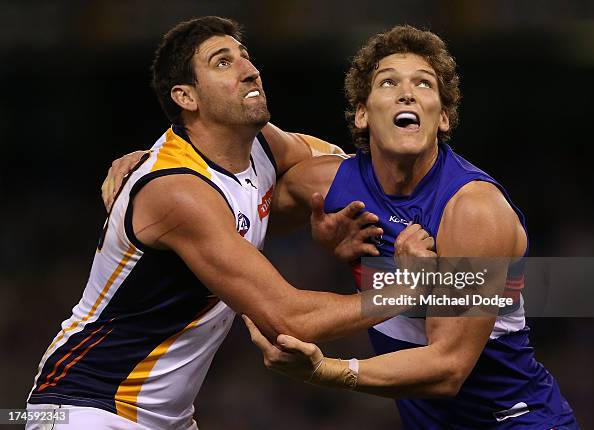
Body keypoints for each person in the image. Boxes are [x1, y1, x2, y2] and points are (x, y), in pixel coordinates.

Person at [26, 17, 428, 430]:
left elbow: (340, 168)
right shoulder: (176, 191)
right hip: (88, 405)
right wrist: (410, 288)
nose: (249, 69)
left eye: (245, 57)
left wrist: (321, 217)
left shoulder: (262, 147)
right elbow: (290, 319)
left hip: (169, 419)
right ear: (186, 96)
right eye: (222, 62)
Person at [240, 25, 580, 429]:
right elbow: (249, 222)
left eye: (424, 83)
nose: (408, 93)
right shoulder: (329, 187)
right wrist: (320, 240)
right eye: (388, 82)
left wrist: (323, 370)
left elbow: (447, 368)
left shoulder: (473, 210)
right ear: (362, 114)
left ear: (444, 118)